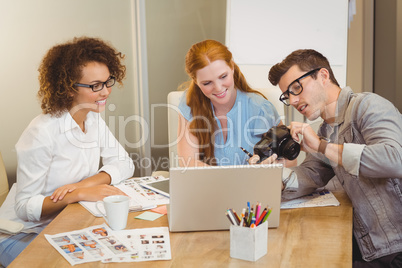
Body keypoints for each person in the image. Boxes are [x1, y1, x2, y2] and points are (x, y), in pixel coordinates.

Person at [250, 49, 402, 267]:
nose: (293, 100)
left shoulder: (368, 106)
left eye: (296, 88)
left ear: (323, 76)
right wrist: (270, 175)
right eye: (287, 95)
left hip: (395, 249)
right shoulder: (325, 131)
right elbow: (309, 175)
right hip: (370, 247)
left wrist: (322, 146)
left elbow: (395, 159)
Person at [0, 36, 134, 266]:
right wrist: (78, 195)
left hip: (63, 226)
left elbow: (124, 163)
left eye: (107, 81)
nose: (105, 92)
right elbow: (24, 207)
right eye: (95, 86)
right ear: (69, 89)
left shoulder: (93, 120)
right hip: (19, 234)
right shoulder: (42, 133)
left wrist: (83, 185)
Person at [177, 39, 294, 167]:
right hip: (209, 185)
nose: (218, 88)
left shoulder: (260, 108)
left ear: (232, 67)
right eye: (207, 83)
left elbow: (291, 161)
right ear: (195, 81)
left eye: (223, 77)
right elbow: (187, 163)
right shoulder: (190, 103)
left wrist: (267, 167)